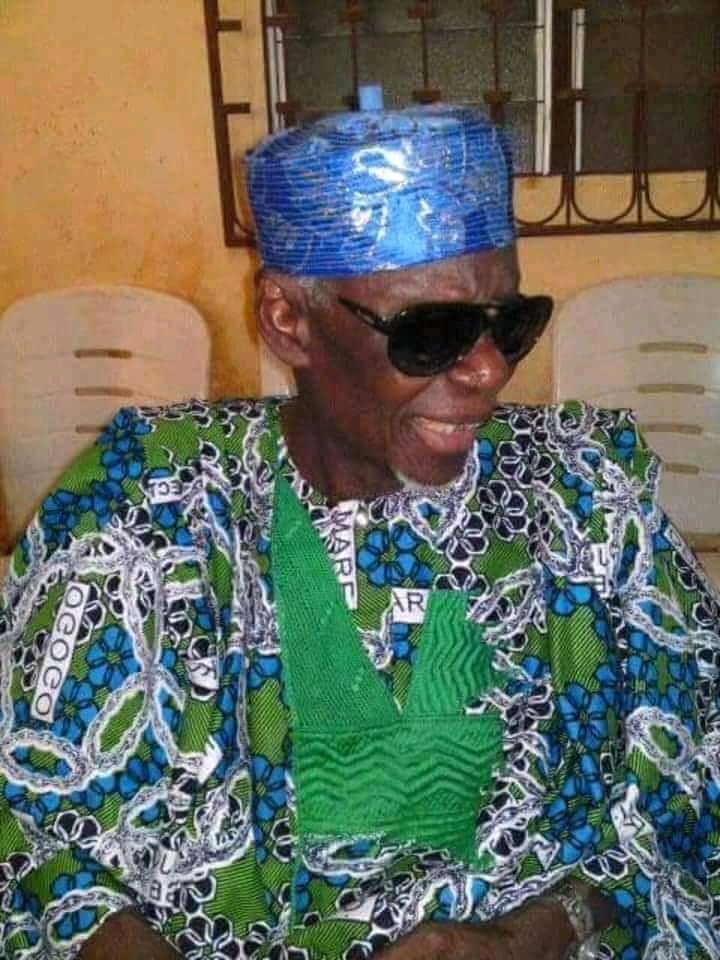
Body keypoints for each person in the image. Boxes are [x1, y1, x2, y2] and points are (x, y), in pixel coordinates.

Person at [0, 105, 717, 960]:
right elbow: (31, 826)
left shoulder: (585, 502)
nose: (489, 370)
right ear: (286, 320)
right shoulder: (146, 506)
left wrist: (529, 935)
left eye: (511, 323)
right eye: (431, 334)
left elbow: (694, 775)